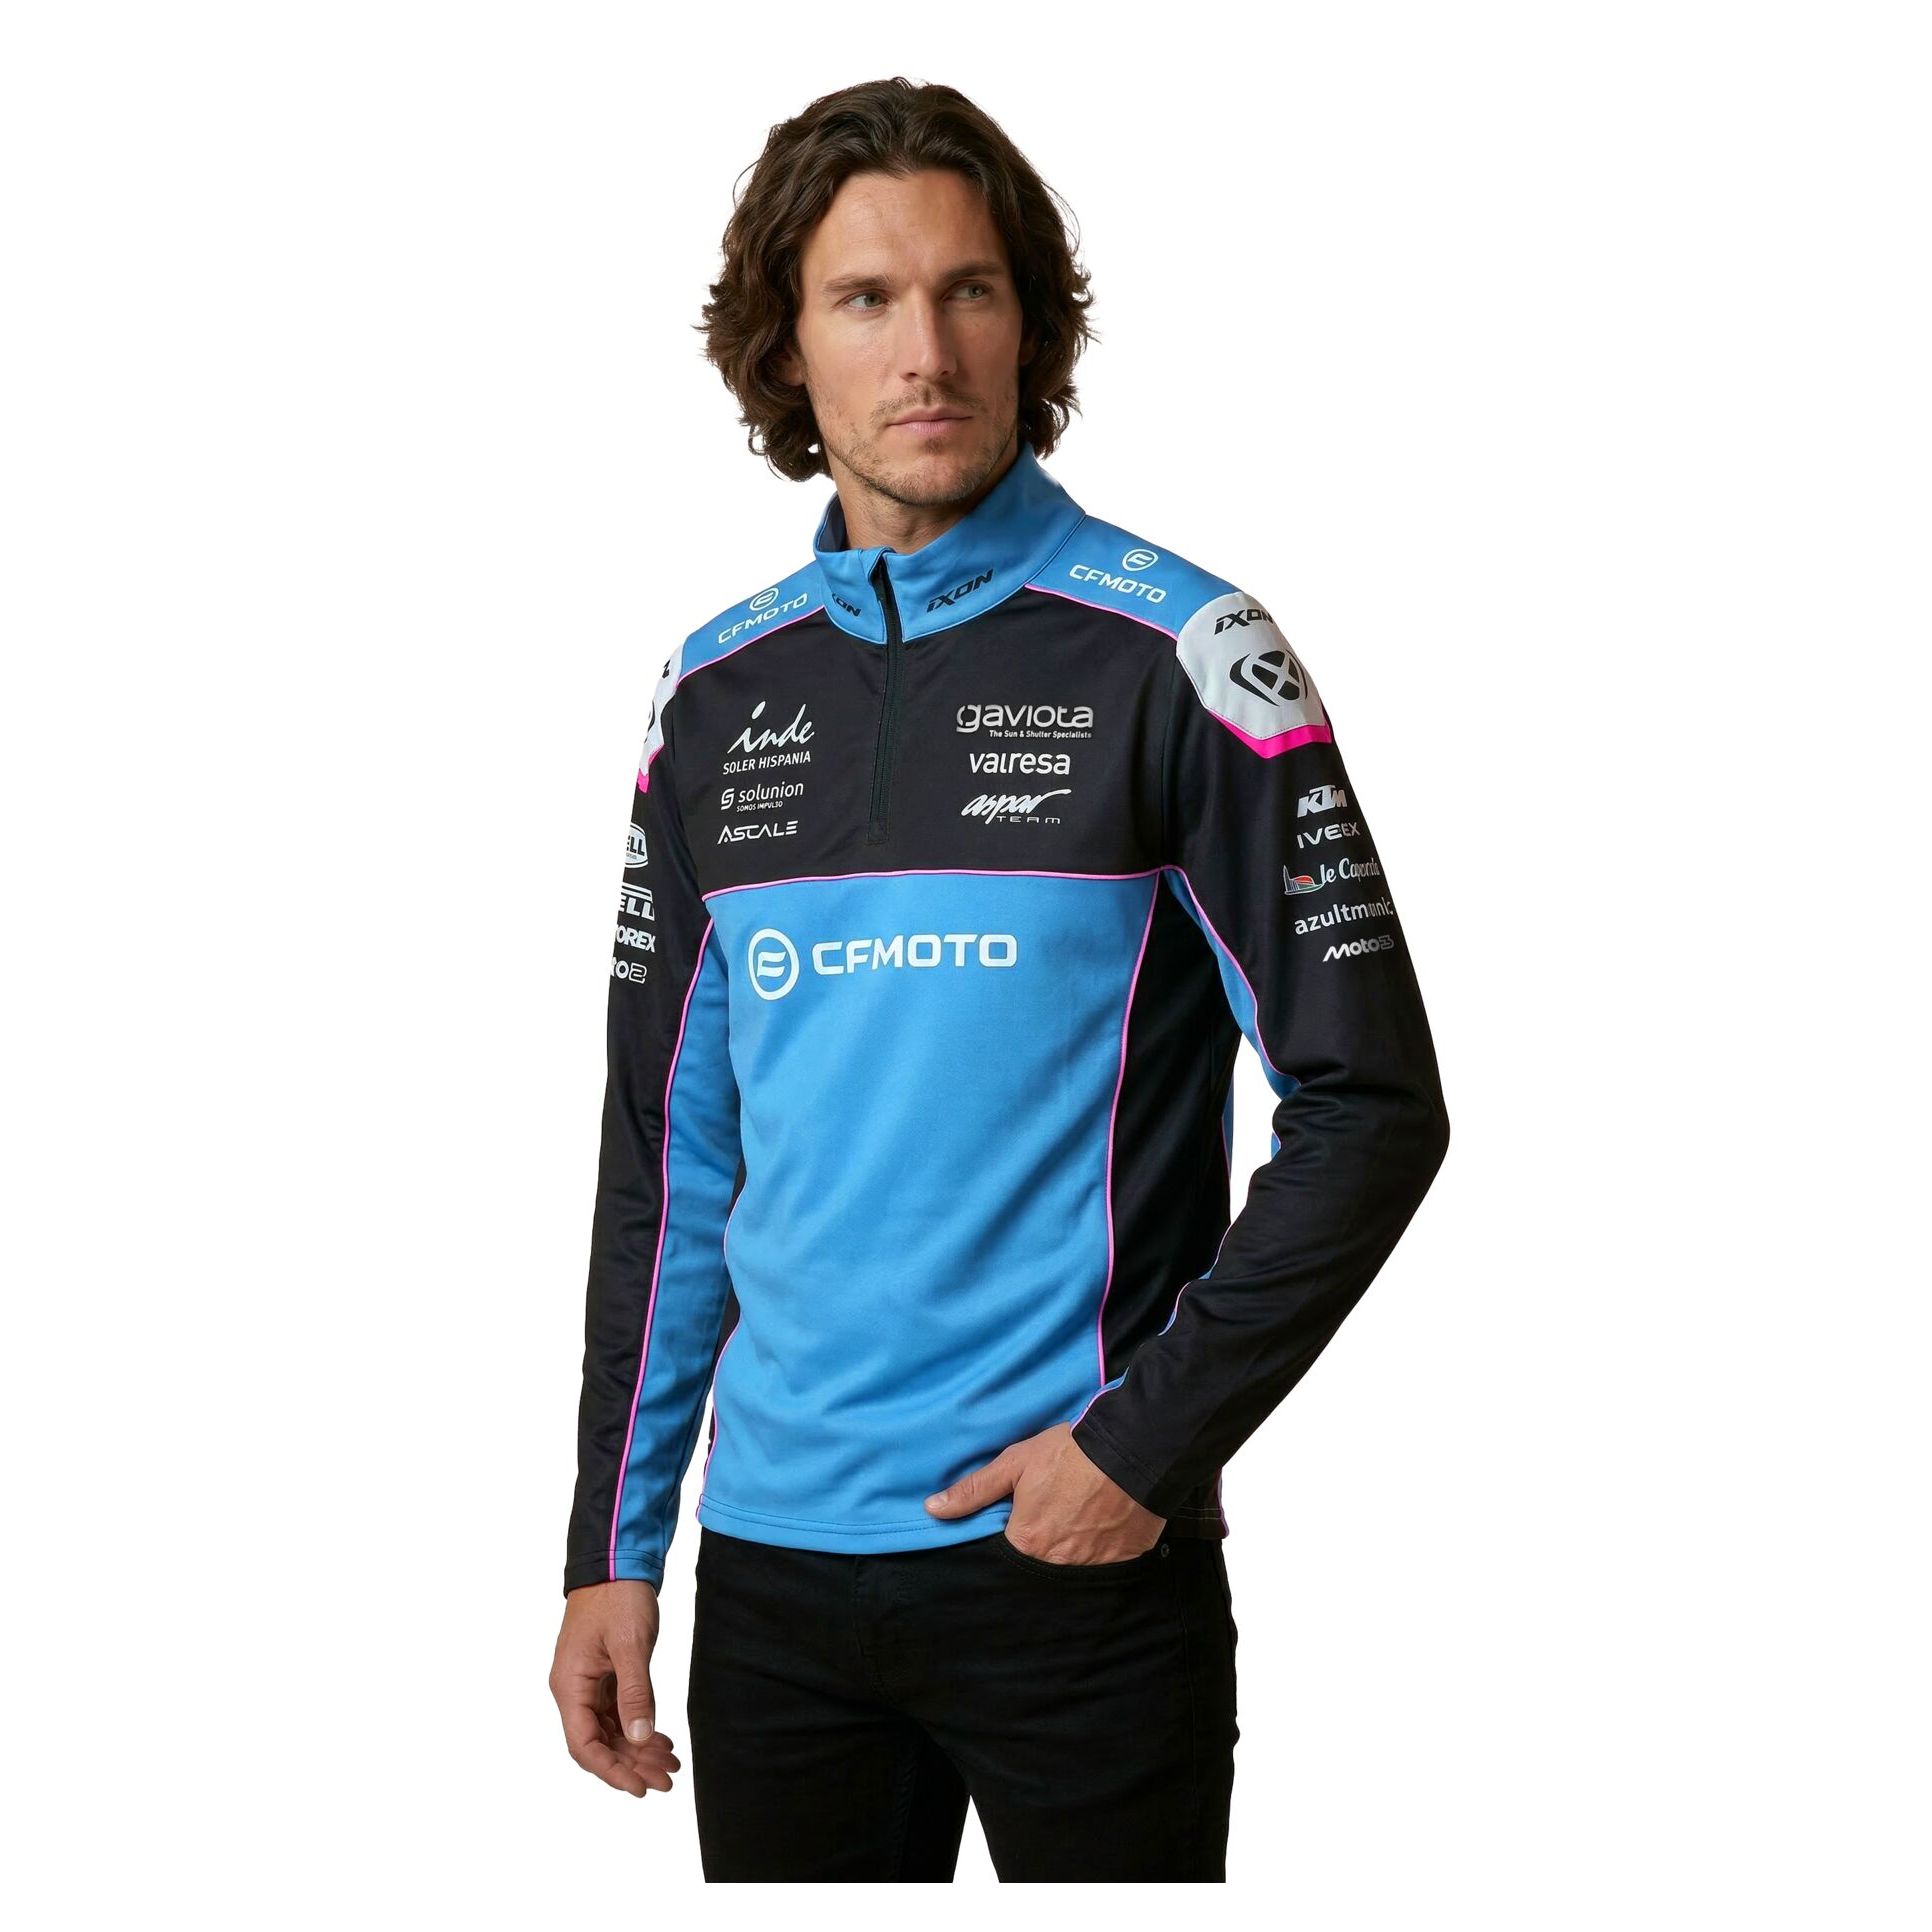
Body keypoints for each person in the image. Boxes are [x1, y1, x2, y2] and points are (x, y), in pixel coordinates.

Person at [547, 76, 1451, 1883]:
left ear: (1031, 324)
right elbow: (669, 1159)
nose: (927, 352)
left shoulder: (1184, 652)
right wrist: (612, 1549)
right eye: (865, 299)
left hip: (1079, 1569)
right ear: (784, 347)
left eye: (970, 290)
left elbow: (1372, 1109)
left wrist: (1141, 1449)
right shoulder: (711, 698)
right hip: (778, 1588)